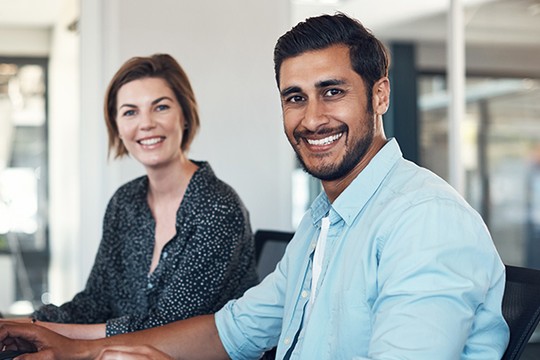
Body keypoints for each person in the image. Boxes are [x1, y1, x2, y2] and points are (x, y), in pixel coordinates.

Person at [0, 13, 509, 359]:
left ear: (379, 95)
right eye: (294, 98)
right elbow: (235, 329)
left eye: (332, 92)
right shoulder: (323, 219)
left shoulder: (424, 220)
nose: (312, 118)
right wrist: (75, 347)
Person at [0, 54, 258, 341]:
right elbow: (96, 301)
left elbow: (169, 328)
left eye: (160, 107)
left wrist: (49, 333)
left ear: (184, 115)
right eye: (130, 112)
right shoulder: (125, 202)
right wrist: (30, 323)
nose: (145, 124)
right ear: (117, 127)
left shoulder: (218, 207)